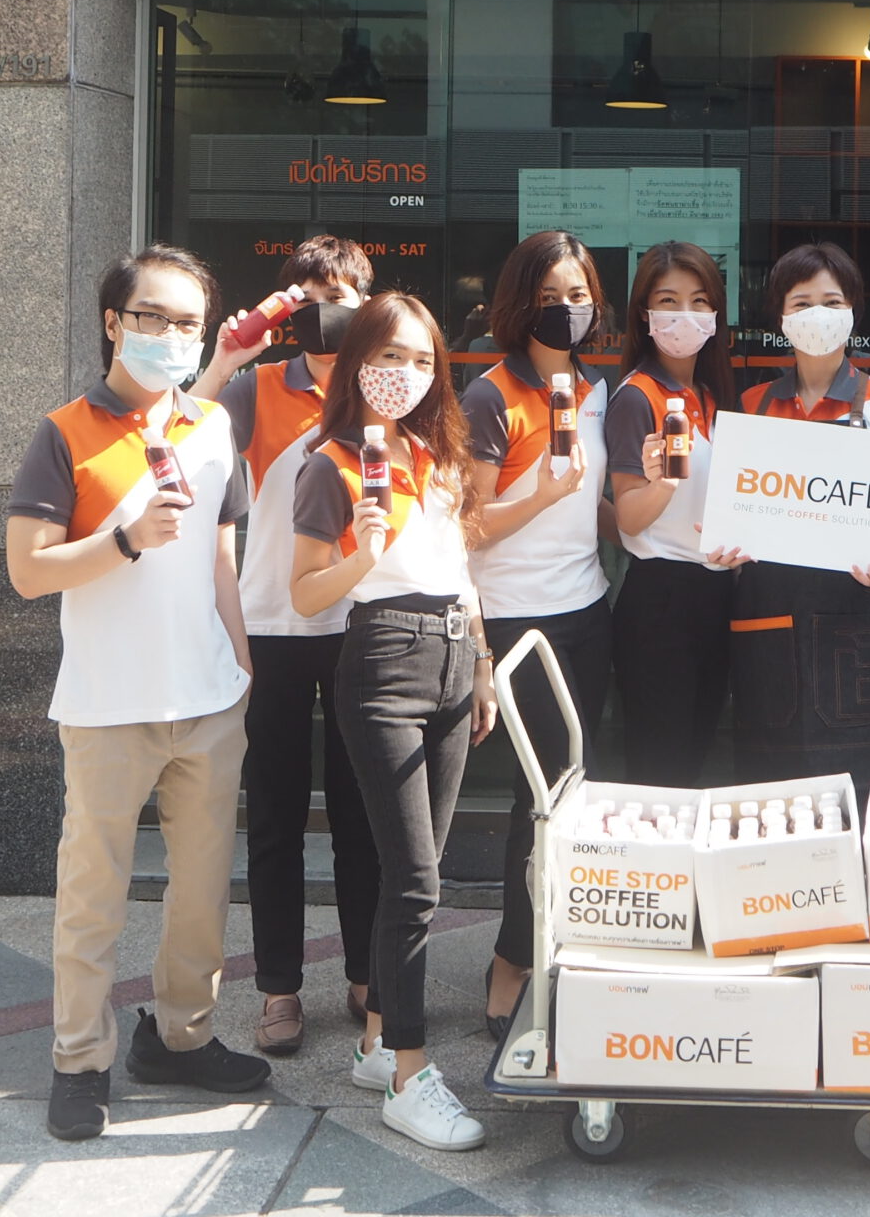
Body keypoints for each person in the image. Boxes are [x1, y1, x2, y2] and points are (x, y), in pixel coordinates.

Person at [5, 245, 269, 1143]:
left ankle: (182, 1037)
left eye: (189, 323)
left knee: (201, 891)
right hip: (107, 706)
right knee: (93, 895)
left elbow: (222, 562)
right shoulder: (65, 432)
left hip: (208, 701)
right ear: (113, 322)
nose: (171, 336)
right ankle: (80, 1060)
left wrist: (240, 670)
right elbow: (27, 571)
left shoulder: (213, 427)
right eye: (152, 317)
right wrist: (124, 540)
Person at [292, 292, 497, 1153]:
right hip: (381, 659)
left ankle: (378, 1041)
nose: (405, 373)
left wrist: (481, 662)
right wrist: (364, 556)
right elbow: (306, 592)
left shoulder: (434, 452)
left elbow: (460, 568)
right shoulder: (330, 464)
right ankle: (411, 1078)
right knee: (414, 881)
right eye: (389, 356)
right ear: (357, 363)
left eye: (421, 360)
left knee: (416, 871)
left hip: (451, 654)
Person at [187, 233, 382, 1057]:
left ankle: (367, 974)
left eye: (339, 297)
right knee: (272, 817)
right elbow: (177, 439)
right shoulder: (258, 388)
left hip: (361, 623)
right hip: (270, 626)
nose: (324, 312)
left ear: (366, 306)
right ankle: (278, 987)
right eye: (307, 298)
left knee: (361, 814)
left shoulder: (383, 388)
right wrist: (227, 358)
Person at [462, 230, 614, 1042]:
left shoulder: (596, 389)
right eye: (550, 297)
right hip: (518, 621)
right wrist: (547, 494)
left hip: (588, 609)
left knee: (575, 791)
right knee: (540, 799)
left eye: (578, 295)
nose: (567, 310)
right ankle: (511, 962)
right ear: (520, 304)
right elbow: (468, 525)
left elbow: (595, 508)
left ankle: (553, 945)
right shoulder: (492, 396)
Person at [719, 242, 870, 792]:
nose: (817, 315)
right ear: (780, 318)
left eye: (832, 301)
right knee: (771, 788)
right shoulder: (752, 404)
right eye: (801, 304)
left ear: (853, 310)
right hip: (768, 614)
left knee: (862, 785)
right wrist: (727, 548)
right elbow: (739, 506)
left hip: (857, 617)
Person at [606, 240, 747, 787]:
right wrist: (664, 482)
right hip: (661, 599)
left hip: (714, 592)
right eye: (668, 301)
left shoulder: (711, 394)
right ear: (644, 314)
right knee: (660, 771)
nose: (684, 315)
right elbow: (628, 518)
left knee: (694, 759)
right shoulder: (636, 396)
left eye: (699, 301)